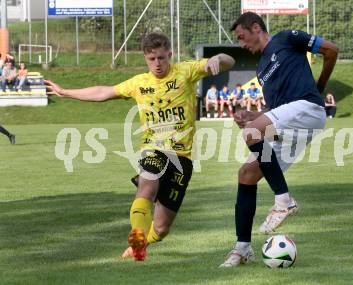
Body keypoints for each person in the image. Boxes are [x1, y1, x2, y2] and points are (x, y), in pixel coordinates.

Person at [45, 32, 235, 262]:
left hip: (182, 157)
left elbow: (229, 60)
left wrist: (218, 59)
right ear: (145, 58)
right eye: (152, 59)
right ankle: (137, 235)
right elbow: (103, 92)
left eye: (161, 58)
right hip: (153, 149)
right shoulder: (139, 83)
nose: (157, 64)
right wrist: (66, 92)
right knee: (147, 185)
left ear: (170, 55)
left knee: (162, 229)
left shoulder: (186, 71)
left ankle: (144, 241)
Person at [220, 12, 338, 267]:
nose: (241, 44)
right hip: (293, 121)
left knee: (252, 132)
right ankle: (242, 249)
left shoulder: (286, 38)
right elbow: (276, 110)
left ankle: (284, 200)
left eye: (242, 37)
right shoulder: (262, 69)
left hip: (309, 109)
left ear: (255, 27)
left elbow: (331, 50)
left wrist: (320, 85)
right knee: (247, 174)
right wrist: (253, 114)